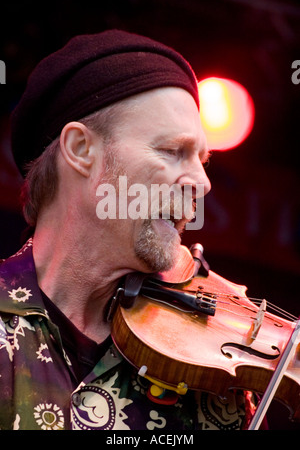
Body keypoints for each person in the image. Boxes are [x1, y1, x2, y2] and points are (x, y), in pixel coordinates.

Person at [0, 30, 255, 430]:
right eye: (173, 151)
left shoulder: (212, 375)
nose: (203, 184)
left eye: (203, 160)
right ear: (82, 150)